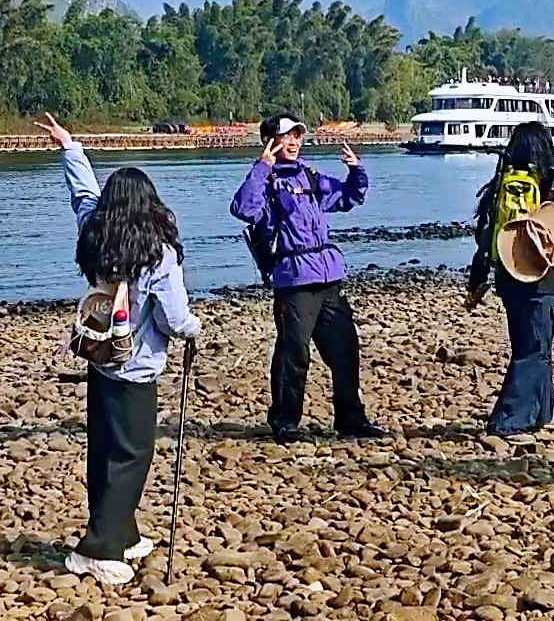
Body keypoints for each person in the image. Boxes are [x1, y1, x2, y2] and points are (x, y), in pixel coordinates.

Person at [34, 112, 201, 586]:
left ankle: (123, 533)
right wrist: (193, 329)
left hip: (100, 358)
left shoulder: (95, 232)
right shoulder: (158, 253)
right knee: (130, 456)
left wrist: (70, 146)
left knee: (105, 450)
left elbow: (83, 194)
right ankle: (96, 548)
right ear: (150, 204)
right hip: (137, 366)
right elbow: (172, 317)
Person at [230, 113, 385, 443]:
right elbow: (242, 208)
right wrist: (263, 166)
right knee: (293, 354)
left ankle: (351, 419)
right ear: (269, 141)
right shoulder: (266, 181)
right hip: (294, 280)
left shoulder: (310, 176)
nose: (293, 142)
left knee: (345, 349)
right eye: (286, 136)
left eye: (297, 136)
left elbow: (348, 197)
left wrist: (356, 171)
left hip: (329, 276)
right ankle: (285, 421)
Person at [466, 121, 554, 436]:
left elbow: (484, 236)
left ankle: (542, 413)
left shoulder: (499, 186)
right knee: (534, 350)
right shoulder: (552, 185)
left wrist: (477, 281)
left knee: (529, 346)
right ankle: (509, 420)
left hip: (508, 275)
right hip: (542, 278)